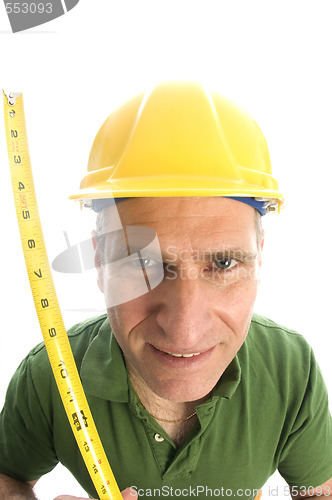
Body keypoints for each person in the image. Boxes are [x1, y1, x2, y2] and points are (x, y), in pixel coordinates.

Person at [1, 82, 331, 500]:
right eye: (143, 263)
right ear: (100, 260)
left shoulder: (291, 370)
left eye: (224, 263)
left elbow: (319, 492)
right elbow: (7, 475)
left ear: (259, 257)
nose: (185, 331)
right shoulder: (50, 375)